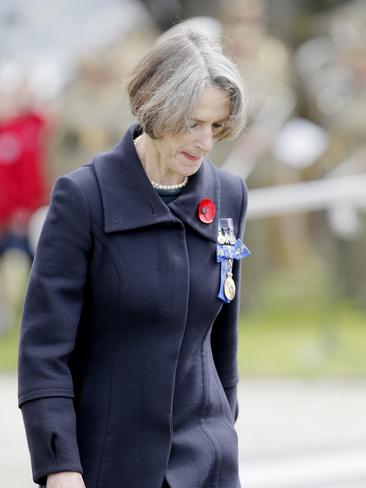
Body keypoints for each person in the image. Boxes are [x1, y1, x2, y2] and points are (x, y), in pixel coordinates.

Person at [18, 30, 250, 488]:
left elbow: (223, 339)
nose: (205, 142)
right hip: (112, 463)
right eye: (191, 123)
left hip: (210, 464)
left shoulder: (229, 195)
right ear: (153, 107)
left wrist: (224, 430)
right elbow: (44, 353)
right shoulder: (83, 198)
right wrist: (61, 467)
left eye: (216, 126)